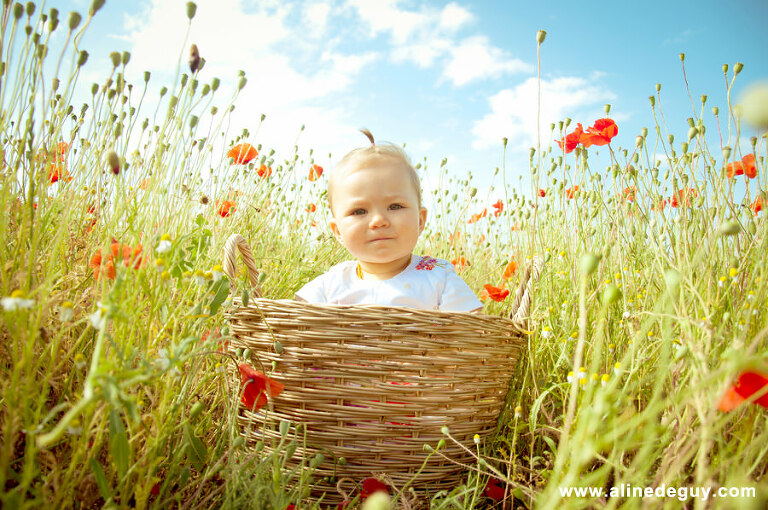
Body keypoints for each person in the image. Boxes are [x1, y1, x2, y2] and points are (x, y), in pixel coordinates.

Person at [295, 130, 483, 313]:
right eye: (359, 211)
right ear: (337, 231)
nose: (378, 221)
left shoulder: (439, 277)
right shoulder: (333, 282)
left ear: (420, 220)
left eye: (395, 207)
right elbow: (293, 319)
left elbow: (472, 329)